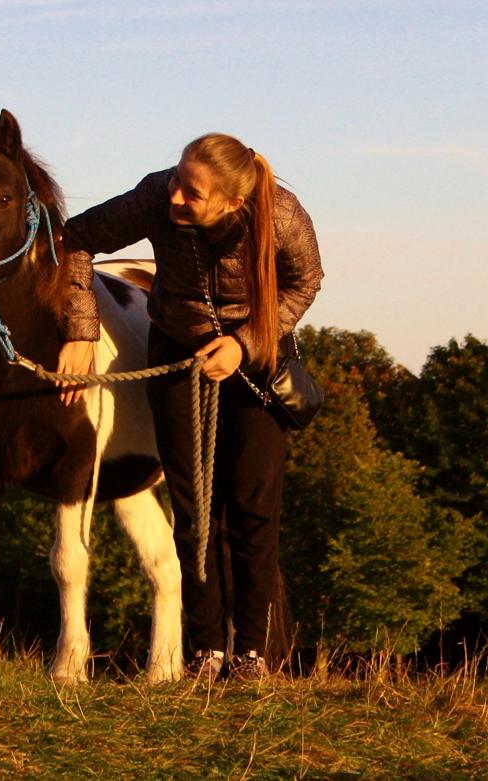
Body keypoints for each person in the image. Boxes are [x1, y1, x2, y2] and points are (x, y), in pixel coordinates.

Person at [56, 132, 324, 680]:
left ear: (232, 202)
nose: (175, 195)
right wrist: (82, 330)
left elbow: (305, 281)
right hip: (178, 358)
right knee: (196, 513)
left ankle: (251, 654)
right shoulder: (157, 195)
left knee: (251, 510)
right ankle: (205, 653)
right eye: (177, 177)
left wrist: (246, 343)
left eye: (192, 192)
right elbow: (75, 239)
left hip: (258, 361)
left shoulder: (281, 215)